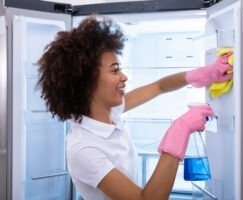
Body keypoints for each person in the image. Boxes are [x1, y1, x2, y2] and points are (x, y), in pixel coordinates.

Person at [37, 16, 232, 200]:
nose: (124, 77)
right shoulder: (84, 149)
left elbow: (159, 86)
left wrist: (200, 75)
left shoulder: (109, 112)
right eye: (115, 70)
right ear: (87, 82)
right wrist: (179, 131)